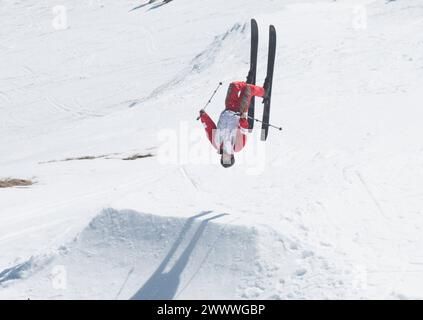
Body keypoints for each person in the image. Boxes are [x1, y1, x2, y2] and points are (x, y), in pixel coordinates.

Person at [199, 81, 266, 168]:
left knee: (233, 86)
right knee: (248, 90)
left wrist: (203, 116)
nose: (224, 158)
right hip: (239, 111)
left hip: (228, 108)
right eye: (227, 160)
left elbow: (209, 128)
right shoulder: (237, 147)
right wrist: (242, 119)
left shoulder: (216, 144)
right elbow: (244, 130)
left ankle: (246, 83)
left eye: (223, 160)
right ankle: (264, 92)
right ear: (232, 157)